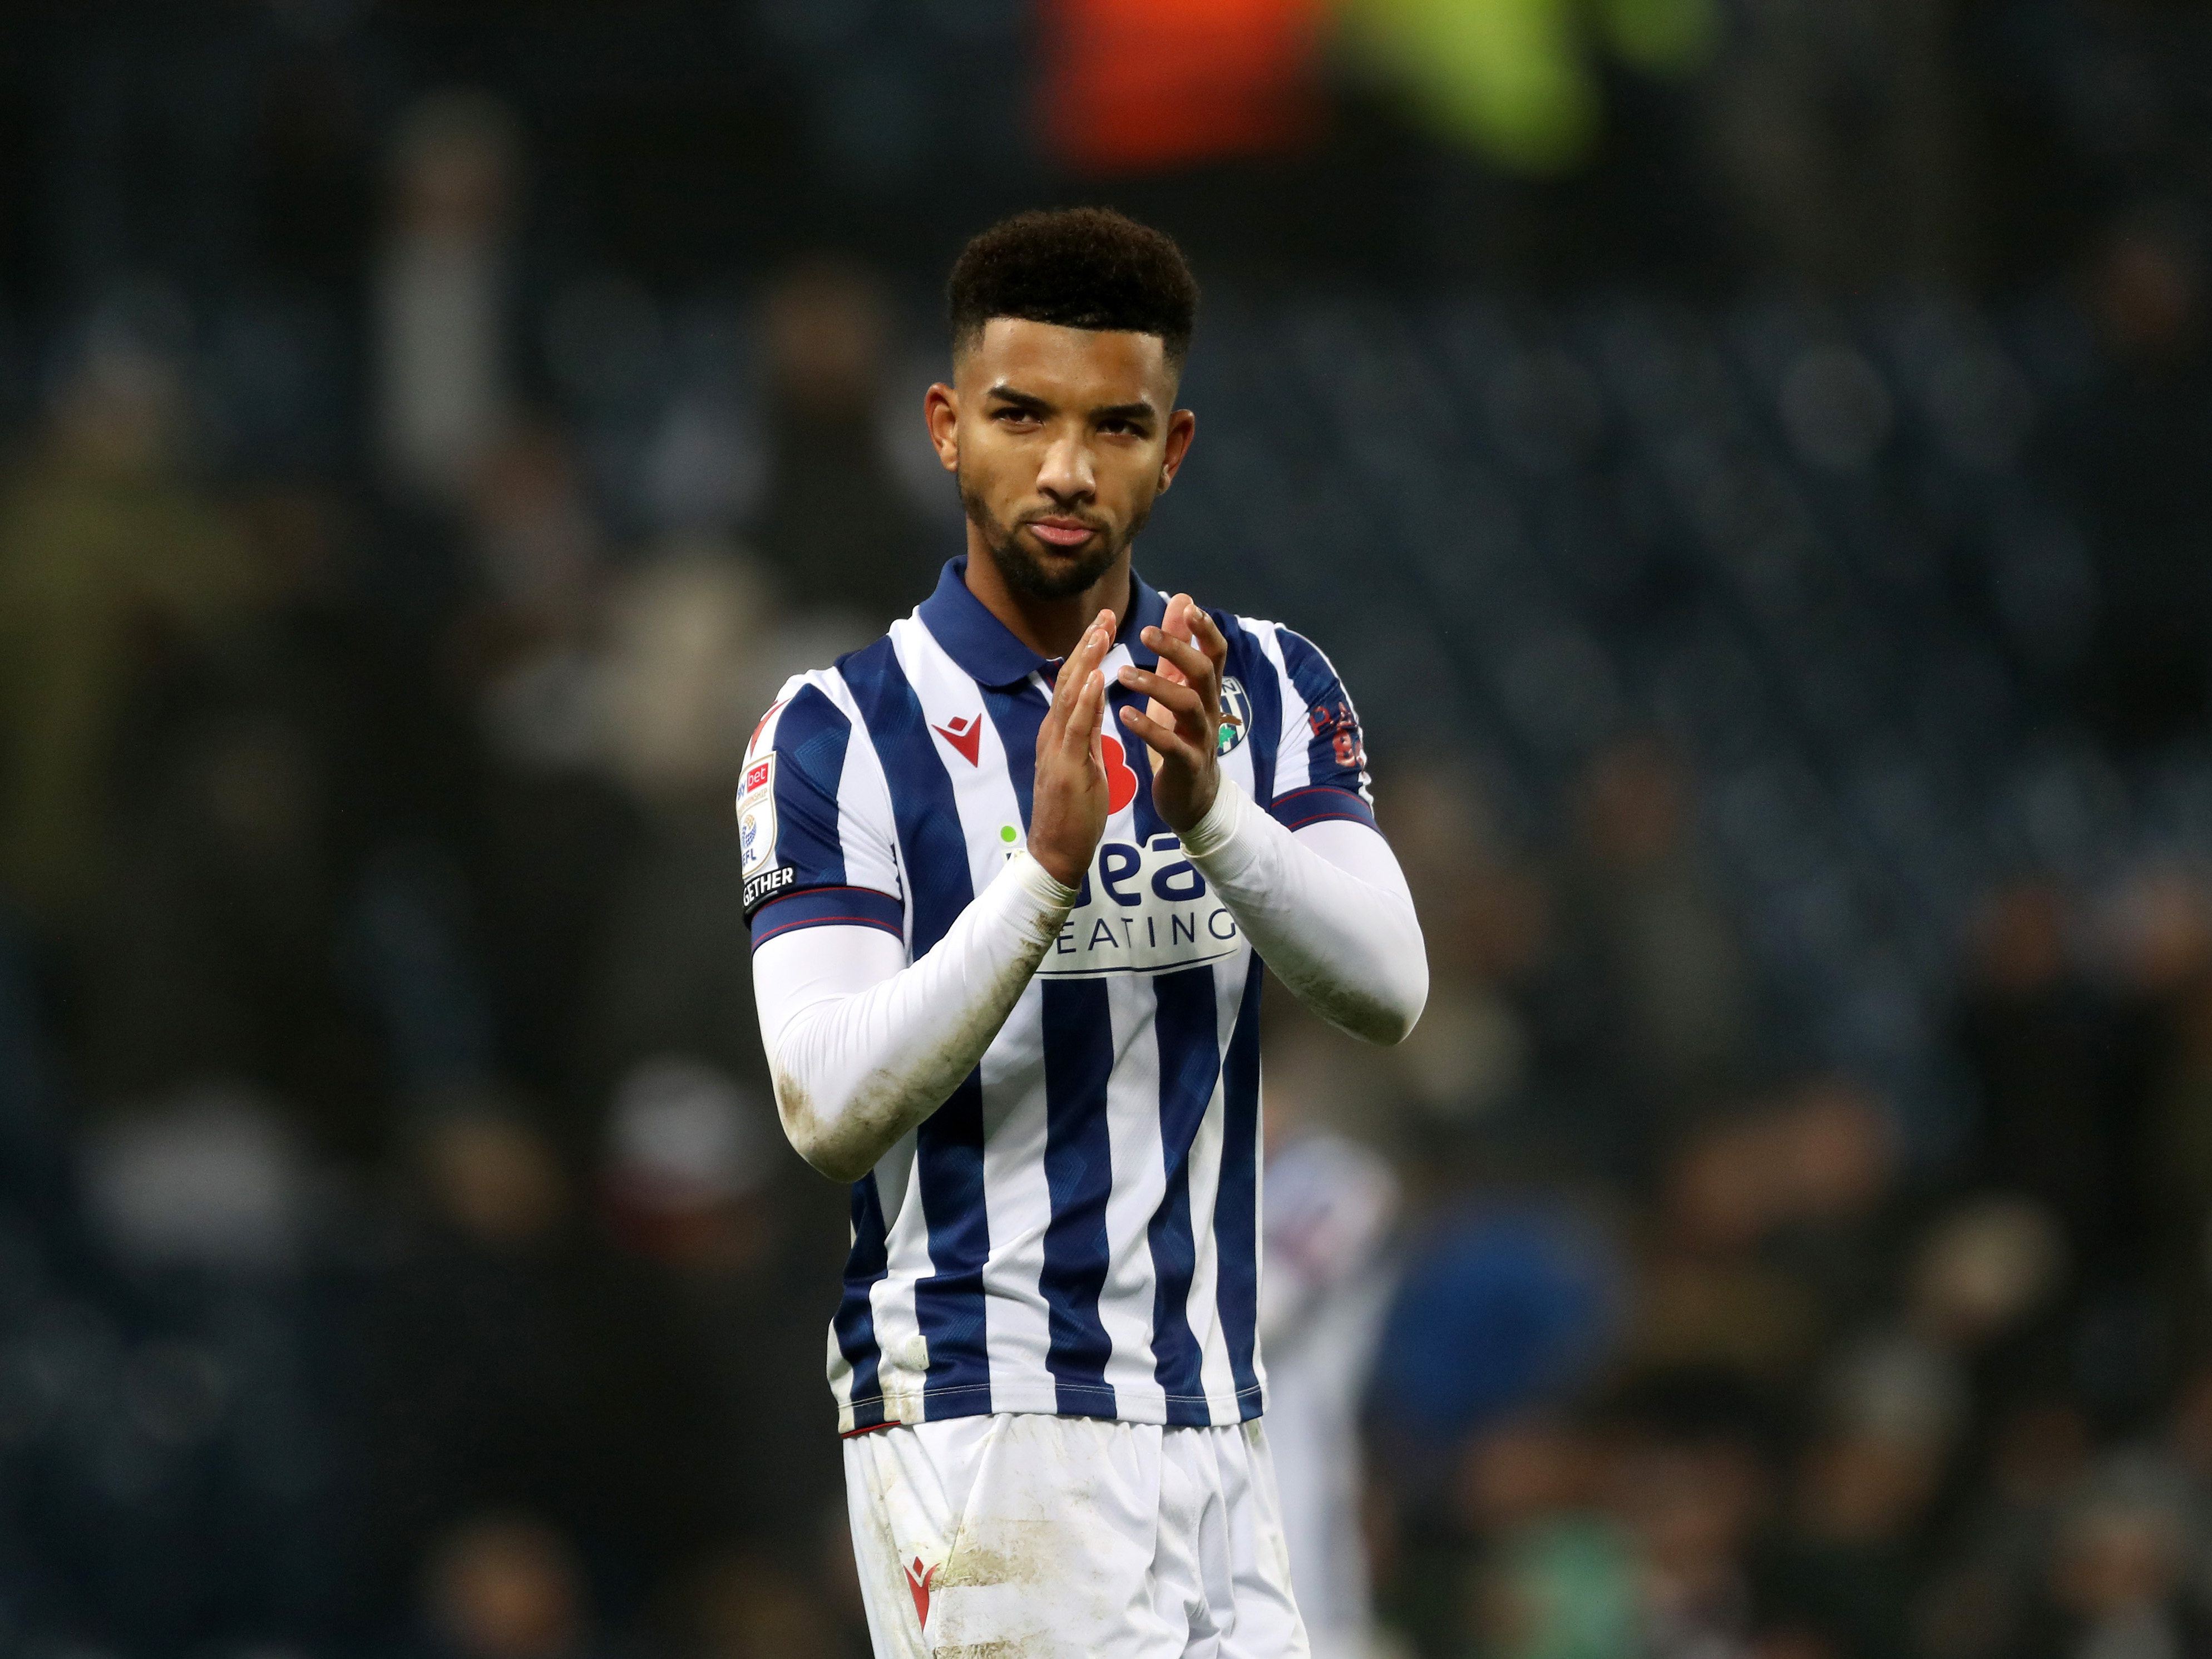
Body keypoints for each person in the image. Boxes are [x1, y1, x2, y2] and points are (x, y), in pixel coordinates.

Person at [742, 208, 1429, 1657]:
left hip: (1213, 1417)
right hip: (986, 1424)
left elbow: (1388, 989)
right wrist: (1042, 874)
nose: (1065, 469)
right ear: (944, 427)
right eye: (1020, 416)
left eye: (1116, 426)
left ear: (1171, 451)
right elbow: (822, 1103)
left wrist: (1217, 824)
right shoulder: (835, 730)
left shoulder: (1264, 685)